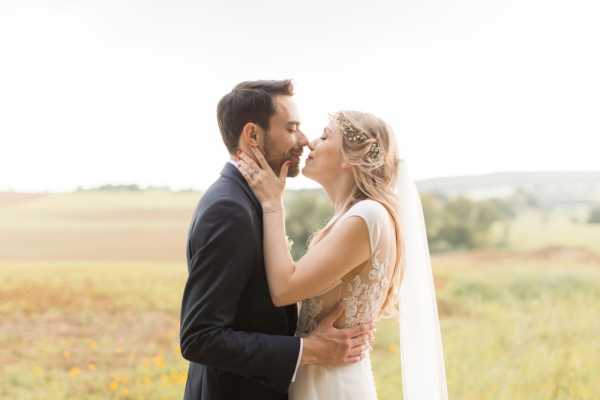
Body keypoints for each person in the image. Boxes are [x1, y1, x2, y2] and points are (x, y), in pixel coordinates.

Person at [179, 80, 374, 400]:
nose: (304, 140)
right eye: (292, 128)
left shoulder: (250, 199)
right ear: (253, 135)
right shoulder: (230, 209)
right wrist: (307, 350)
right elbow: (199, 337)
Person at [237, 110, 449, 399]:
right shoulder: (356, 216)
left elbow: (284, 289)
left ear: (351, 158)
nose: (311, 142)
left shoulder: (366, 216)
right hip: (324, 373)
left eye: (325, 136)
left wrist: (273, 203)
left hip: (330, 383)